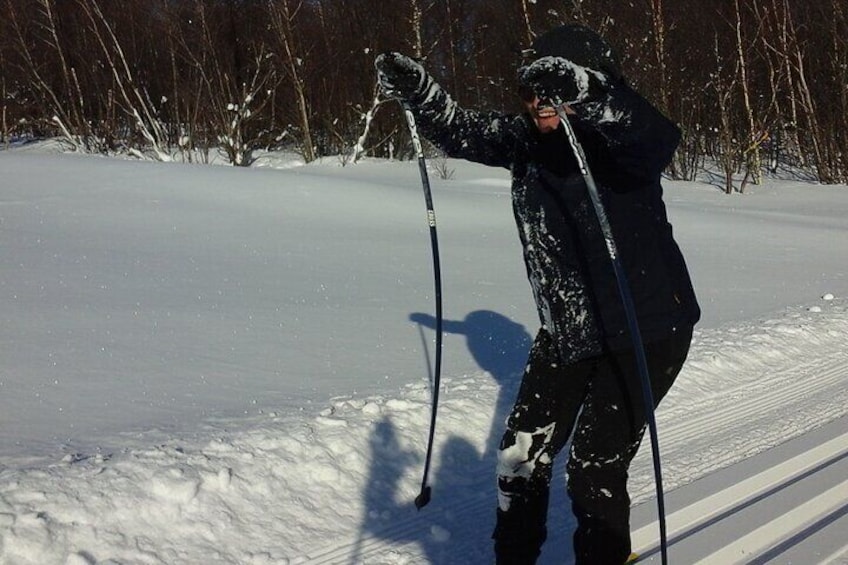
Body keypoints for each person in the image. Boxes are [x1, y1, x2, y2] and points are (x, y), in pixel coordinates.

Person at [375, 24, 700, 565]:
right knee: (519, 457)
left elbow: (654, 137)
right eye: (529, 91)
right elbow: (462, 129)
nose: (537, 103)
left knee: (594, 466)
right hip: (568, 329)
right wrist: (421, 93)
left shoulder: (622, 144)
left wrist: (585, 89)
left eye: (550, 90)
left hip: (647, 329)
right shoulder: (527, 140)